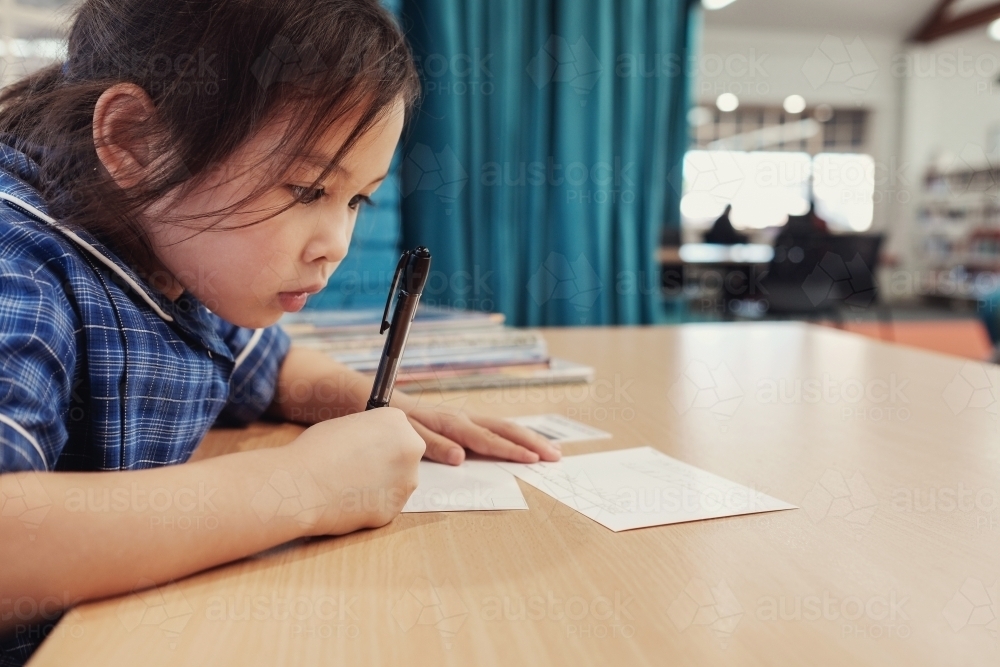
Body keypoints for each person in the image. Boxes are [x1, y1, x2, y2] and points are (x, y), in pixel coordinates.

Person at [0, 1, 560, 663]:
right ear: (134, 142)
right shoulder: (22, 261)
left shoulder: (180, 250)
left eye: (357, 199)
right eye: (304, 190)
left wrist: (384, 409)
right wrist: (300, 488)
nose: (336, 244)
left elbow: (270, 369)